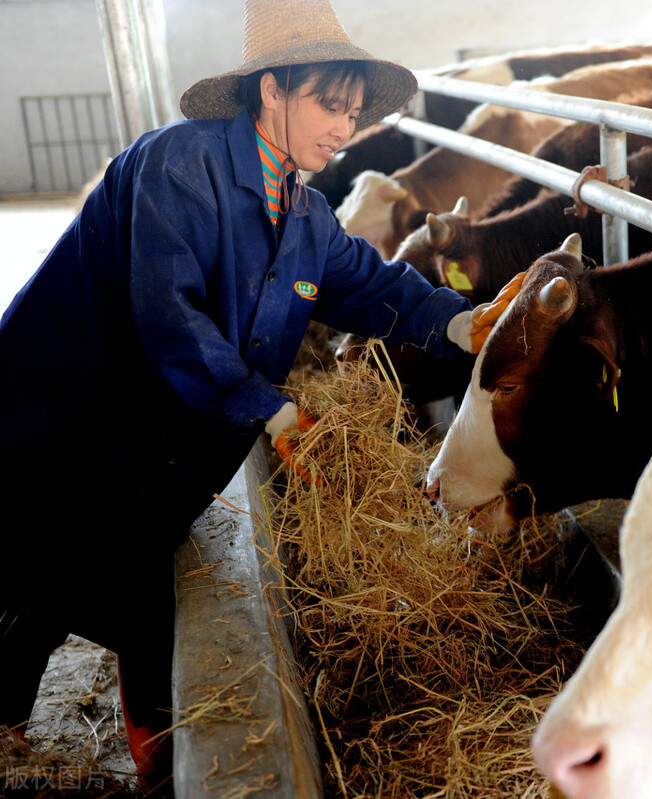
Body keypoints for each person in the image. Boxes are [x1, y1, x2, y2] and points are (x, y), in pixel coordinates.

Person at [0, 0, 520, 786]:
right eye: (328, 104)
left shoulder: (305, 213)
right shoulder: (179, 166)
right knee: (42, 573)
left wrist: (465, 324)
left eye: (352, 111)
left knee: (107, 593)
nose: (343, 128)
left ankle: (137, 754)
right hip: (63, 425)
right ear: (271, 90)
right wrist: (277, 414)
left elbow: (377, 288)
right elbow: (169, 320)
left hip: (151, 448)